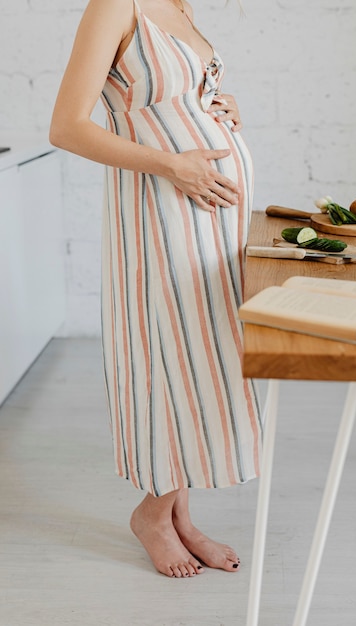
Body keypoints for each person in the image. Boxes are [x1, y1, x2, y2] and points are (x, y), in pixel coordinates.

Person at [50, 0, 262, 579]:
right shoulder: (116, 5)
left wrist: (218, 109)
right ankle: (152, 515)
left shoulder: (180, 7)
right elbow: (67, 126)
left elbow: (168, 99)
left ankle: (180, 520)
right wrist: (174, 165)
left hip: (212, 219)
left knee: (203, 361)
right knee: (177, 361)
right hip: (160, 211)